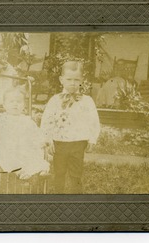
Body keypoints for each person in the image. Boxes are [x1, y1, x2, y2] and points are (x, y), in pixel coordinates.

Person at [40, 61, 100, 194]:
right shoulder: (55, 100)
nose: (73, 83)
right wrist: (47, 139)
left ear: (82, 80)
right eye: (69, 79)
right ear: (61, 80)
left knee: (76, 173)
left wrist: (92, 139)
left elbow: (93, 121)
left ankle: (76, 196)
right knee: (59, 171)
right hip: (59, 142)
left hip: (78, 142)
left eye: (76, 79)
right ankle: (58, 195)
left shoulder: (87, 101)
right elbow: (47, 121)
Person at [0, 88, 50, 186]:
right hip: (5, 146)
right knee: (6, 155)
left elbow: (35, 132)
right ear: (4, 105)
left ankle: (39, 171)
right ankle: (20, 173)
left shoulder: (26, 120)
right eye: (11, 101)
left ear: (23, 106)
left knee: (35, 152)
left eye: (19, 102)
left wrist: (43, 139)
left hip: (22, 148)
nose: (15, 104)